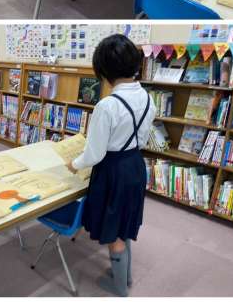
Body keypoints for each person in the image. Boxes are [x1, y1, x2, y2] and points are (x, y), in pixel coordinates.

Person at [66, 34, 156, 296]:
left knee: (113, 230)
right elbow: (141, 138)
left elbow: (94, 154)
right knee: (124, 224)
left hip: (113, 170)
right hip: (135, 165)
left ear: (104, 71)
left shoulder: (106, 106)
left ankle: (120, 289)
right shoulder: (148, 98)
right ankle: (124, 277)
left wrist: (73, 164)